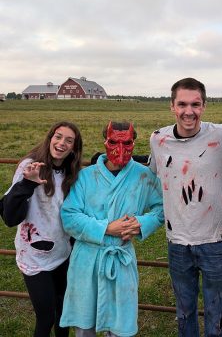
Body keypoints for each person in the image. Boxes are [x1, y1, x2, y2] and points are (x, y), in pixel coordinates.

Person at [149, 77, 222, 336]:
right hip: (177, 238)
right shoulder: (158, 139)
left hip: (215, 237)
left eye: (196, 104)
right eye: (182, 104)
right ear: (172, 106)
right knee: (184, 310)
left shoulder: (221, 135)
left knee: (217, 310)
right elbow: (153, 168)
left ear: (204, 105)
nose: (189, 111)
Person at [59, 121, 164, 337]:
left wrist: (142, 223)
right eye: (114, 141)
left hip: (120, 258)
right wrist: (106, 228)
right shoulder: (86, 176)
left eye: (127, 142)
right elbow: (69, 216)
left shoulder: (143, 176)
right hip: (86, 260)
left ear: (134, 143)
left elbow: (162, 208)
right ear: (105, 142)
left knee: (120, 325)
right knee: (84, 325)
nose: (120, 148)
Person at [1, 121, 83, 337]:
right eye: (58, 137)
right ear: (50, 138)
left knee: (63, 314)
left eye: (69, 140)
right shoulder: (30, 166)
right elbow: (9, 217)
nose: (61, 143)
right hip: (34, 257)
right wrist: (27, 184)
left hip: (63, 253)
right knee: (45, 317)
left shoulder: (72, 173)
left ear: (74, 148)